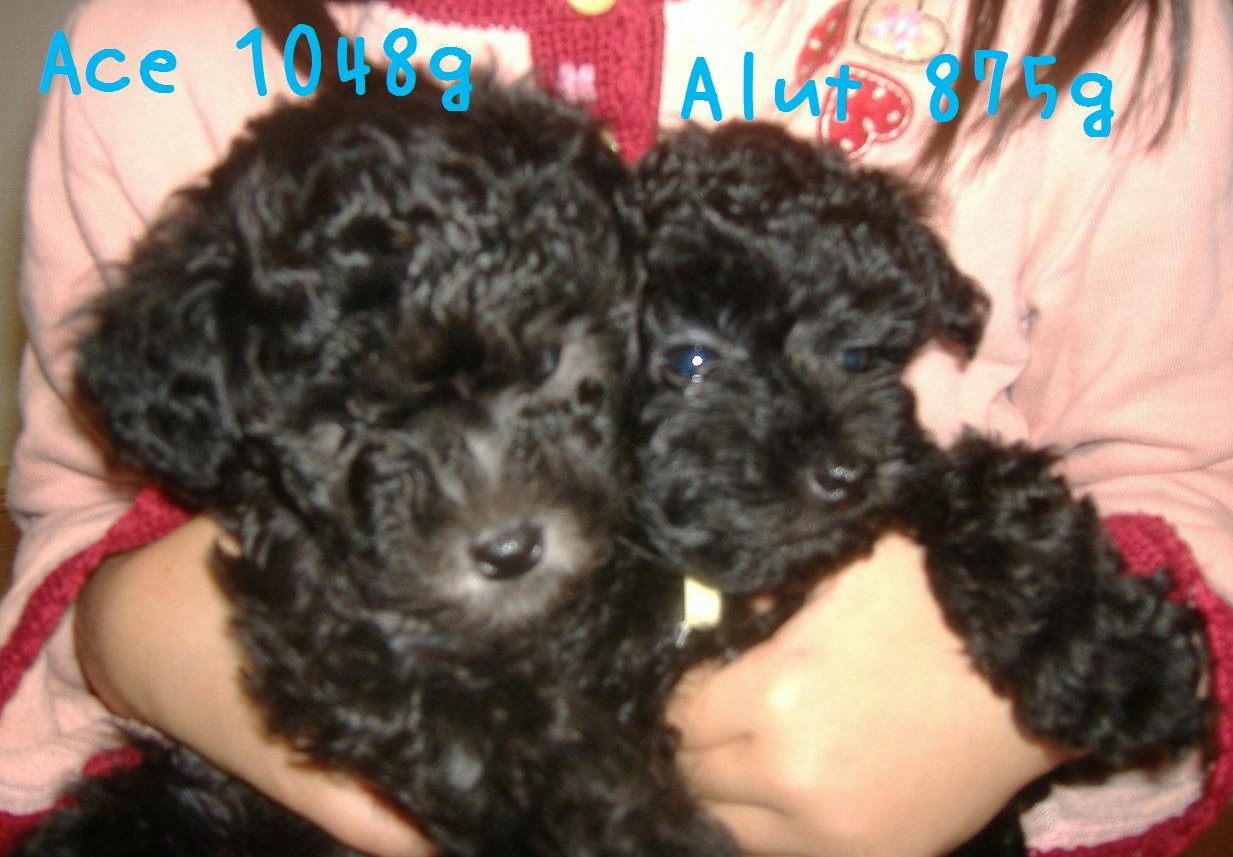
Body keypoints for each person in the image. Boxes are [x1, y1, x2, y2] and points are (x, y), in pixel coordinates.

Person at [1, 1, 1230, 855]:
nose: (498, 503)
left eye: (553, 372)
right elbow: (84, 501)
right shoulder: (155, 47)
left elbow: (1186, 471)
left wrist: (1009, 712)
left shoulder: (1116, 43)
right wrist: (130, 627)